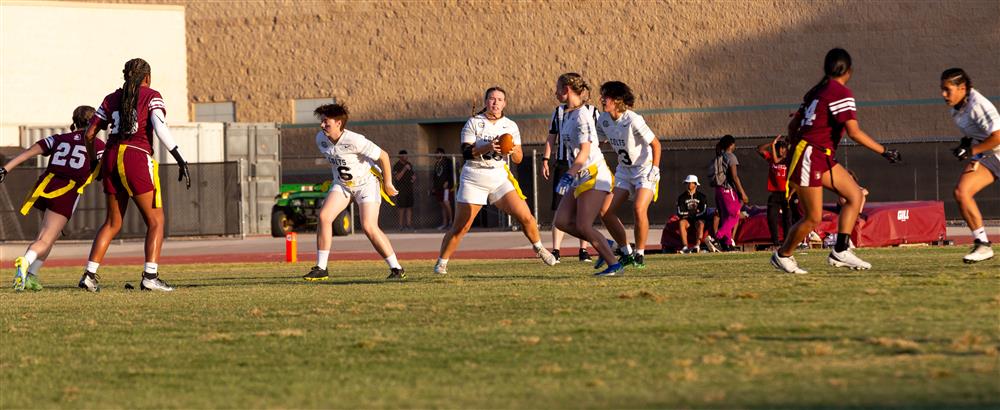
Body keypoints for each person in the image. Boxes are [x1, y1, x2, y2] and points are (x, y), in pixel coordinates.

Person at [771, 48, 901, 274]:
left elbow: (793, 127)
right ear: (849, 70)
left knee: (855, 195)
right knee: (813, 218)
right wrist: (884, 151)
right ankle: (783, 255)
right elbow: (854, 132)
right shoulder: (840, 92)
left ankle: (840, 250)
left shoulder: (817, 92)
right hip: (812, 154)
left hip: (819, 154)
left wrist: (795, 152)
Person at [80, 58, 191, 292]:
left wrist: (93, 161)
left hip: (110, 156)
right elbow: (160, 127)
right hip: (135, 156)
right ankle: (150, 276)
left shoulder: (111, 99)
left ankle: (89, 275)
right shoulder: (151, 95)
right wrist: (179, 156)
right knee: (156, 221)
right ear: (147, 77)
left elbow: (89, 133)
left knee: (112, 222)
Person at [433, 87, 557, 274]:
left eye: (500, 99)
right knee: (462, 226)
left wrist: (512, 149)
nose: (496, 102)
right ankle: (442, 262)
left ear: (505, 103)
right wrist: (489, 146)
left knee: (526, 216)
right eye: (492, 99)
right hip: (474, 177)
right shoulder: (474, 122)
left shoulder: (510, 126)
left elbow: (518, 159)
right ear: (486, 101)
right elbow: (466, 153)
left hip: (498, 176)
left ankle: (539, 248)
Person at [1, 106, 105, 291]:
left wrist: (6, 168)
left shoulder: (60, 138)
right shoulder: (96, 144)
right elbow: (107, 167)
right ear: (93, 123)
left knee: (52, 234)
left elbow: (31, 150)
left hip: (46, 186)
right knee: (45, 238)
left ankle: (32, 275)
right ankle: (25, 262)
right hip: (65, 190)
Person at [304, 104, 406, 281]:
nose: (322, 126)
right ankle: (321, 267)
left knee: (368, 226)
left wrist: (388, 183)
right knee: (324, 217)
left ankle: (397, 268)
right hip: (343, 185)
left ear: (338, 123)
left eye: (326, 122)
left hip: (366, 184)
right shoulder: (321, 138)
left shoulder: (355, 140)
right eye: (321, 121)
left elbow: (384, 156)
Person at [550, 73, 623, 276]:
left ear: (566, 89)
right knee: (561, 221)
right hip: (579, 175)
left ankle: (614, 265)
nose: (555, 92)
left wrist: (569, 174)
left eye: (557, 88)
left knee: (583, 224)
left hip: (593, 175)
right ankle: (603, 242)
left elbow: (584, 151)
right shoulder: (567, 113)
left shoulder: (582, 115)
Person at [595, 81, 661, 268]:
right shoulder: (603, 119)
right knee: (605, 212)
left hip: (643, 170)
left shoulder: (633, 119)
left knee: (639, 209)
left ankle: (640, 253)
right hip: (624, 171)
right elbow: (596, 143)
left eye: (605, 96)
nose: (602, 100)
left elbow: (656, 144)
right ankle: (626, 251)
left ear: (617, 100)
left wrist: (655, 169)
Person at [941, 68, 999, 263]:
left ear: (963, 88)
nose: (943, 94)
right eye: (942, 89)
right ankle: (983, 244)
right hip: (989, 155)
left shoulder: (978, 105)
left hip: (996, 150)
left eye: (947, 90)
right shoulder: (956, 108)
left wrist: (972, 151)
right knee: (961, 192)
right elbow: (975, 134)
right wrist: (966, 145)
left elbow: (998, 136)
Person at [542, 89, 594, 263]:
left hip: (585, 165)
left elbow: (600, 133)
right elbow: (551, 136)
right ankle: (556, 250)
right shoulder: (559, 112)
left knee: (583, 210)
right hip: (564, 163)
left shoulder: (591, 112)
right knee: (560, 208)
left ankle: (584, 250)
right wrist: (545, 158)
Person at [707, 135, 749, 251]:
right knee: (734, 215)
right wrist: (742, 193)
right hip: (727, 190)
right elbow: (734, 177)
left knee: (726, 217)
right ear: (731, 145)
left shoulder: (719, 156)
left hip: (718, 191)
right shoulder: (731, 156)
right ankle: (716, 238)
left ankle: (727, 243)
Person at [756, 135, 798, 246]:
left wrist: (791, 194)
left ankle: (787, 242)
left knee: (787, 219)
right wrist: (771, 143)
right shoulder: (771, 158)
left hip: (787, 193)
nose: (780, 150)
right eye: (778, 148)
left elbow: (796, 180)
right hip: (775, 194)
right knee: (771, 217)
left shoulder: (788, 161)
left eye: (783, 148)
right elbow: (759, 149)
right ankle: (775, 242)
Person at [675, 175, 709, 253]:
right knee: (681, 222)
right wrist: (694, 212)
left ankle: (697, 246)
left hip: (698, 219)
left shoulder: (702, 197)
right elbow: (680, 213)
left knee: (701, 223)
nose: (689, 185)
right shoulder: (681, 197)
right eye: (687, 183)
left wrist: (691, 214)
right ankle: (685, 247)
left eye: (691, 183)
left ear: (695, 184)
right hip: (687, 220)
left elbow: (703, 212)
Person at [431, 147, 454, 230]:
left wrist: (448, 181)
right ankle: (445, 223)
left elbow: (451, 173)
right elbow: (435, 176)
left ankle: (451, 222)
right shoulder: (437, 163)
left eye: (438, 153)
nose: (436, 154)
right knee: (442, 205)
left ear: (442, 153)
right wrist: (434, 187)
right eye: (436, 153)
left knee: (446, 202)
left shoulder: (447, 161)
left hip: (446, 187)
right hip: (438, 187)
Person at [392, 150, 415, 230]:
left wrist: (413, 178)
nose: (406, 157)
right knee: (401, 208)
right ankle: (400, 225)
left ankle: (408, 225)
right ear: (400, 157)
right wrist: (404, 169)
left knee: (409, 207)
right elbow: (397, 177)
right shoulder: (397, 166)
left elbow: (412, 175)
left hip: (409, 189)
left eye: (406, 155)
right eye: (404, 156)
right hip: (401, 190)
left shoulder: (409, 164)